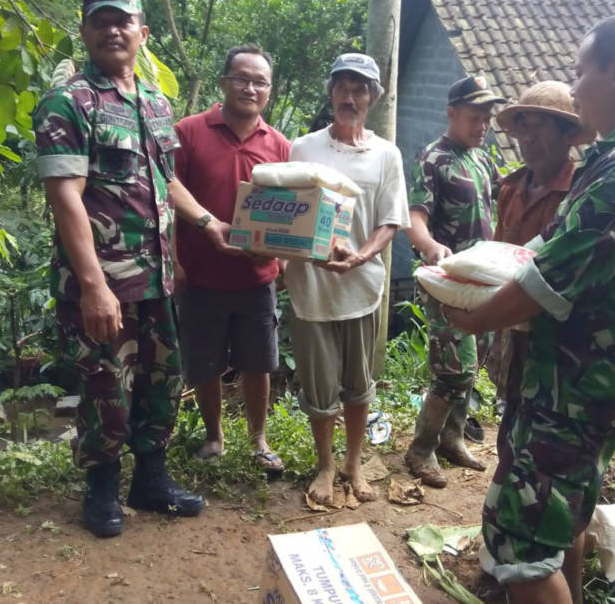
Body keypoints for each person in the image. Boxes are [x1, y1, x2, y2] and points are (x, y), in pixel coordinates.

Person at [444, 14, 615, 603]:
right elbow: (551, 247)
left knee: (521, 544)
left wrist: (470, 317)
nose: (575, 87)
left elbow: (547, 281)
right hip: (578, 380)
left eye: (581, 72)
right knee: (556, 522)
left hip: (577, 386)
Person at [34, 0, 221, 537]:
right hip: (105, 282)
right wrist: (93, 285)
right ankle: (101, 489)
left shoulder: (155, 102)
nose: (113, 29)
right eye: (100, 20)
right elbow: (65, 196)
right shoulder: (68, 102)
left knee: (161, 381)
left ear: (142, 31)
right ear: (86, 31)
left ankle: (151, 479)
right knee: (104, 386)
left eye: (123, 20)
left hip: (157, 279)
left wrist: (210, 225)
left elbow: (165, 182)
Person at [283, 53, 411, 506]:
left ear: (373, 98)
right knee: (319, 387)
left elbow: (390, 221)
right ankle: (326, 465)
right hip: (310, 286)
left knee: (358, 383)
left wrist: (360, 257)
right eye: (343, 87)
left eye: (360, 89)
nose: (350, 97)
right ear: (331, 92)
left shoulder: (386, 154)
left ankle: (354, 463)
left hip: (360, 285)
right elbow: (288, 215)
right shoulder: (303, 148)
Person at [173, 45, 291, 473]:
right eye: (241, 78)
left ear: (269, 91)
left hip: (256, 277)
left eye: (259, 82)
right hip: (201, 274)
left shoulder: (279, 145)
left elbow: (292, 213)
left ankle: (259, 440)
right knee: (204, 360)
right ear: (224, 82)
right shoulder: (189, 131)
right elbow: (166, 190)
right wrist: (175, 258)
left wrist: (284, 259)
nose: (250, 88)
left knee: (258, 361)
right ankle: (214, 436)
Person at [403, 75, 506, 488]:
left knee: (473, 363)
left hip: (485, 283)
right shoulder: (433, 159)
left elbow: (507, 194)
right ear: (451, 114)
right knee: (452, 371)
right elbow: (414, 217)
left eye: (487, 117)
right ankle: (421, 449)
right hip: (450, 284)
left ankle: (452, 438)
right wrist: (429, 246)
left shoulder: (482, 160)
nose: (482, 124)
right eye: (474, 116)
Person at [488, 81, 594, 406]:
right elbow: (496, 258)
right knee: (510, 414)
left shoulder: (582, 191)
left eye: (541, 127)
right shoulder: (511, 189)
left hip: (556, 337)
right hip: (510, 325)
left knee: (545, 422)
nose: (529, 138)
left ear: (567, 135)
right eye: (523, 127)